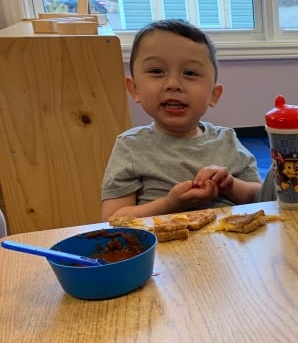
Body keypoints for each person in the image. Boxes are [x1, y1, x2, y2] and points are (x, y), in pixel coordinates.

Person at [101, 19, 262, 221]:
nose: (173, 84)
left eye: (190, 73)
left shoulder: (226, 139)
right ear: (135, 89)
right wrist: (170, 204)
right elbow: (112, 219)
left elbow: (260, 196)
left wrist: (229, 184)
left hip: (230, 244)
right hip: (165, 248)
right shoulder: (130, 146)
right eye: (157, 71)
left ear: (213, 95)